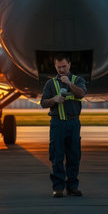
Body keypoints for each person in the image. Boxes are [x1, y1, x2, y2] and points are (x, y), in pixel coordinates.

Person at [41, 54, 87, 198]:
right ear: (55, 66)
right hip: (57, 124)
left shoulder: (77, 80)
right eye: (58, 67)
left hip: (73, 123)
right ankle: (58, 188)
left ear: (69, 65)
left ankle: (73, 187)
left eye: (64, 66)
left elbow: (81, 94)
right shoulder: (50, 84)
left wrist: (69, 84)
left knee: (74, 156)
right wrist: (54, 99)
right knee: (57, 156)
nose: (61, 69)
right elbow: (43, 103)